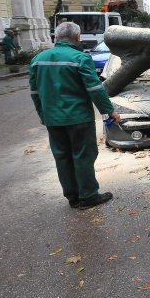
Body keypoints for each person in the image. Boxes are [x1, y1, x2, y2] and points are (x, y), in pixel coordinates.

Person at [29, 21, 120, 208]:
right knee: (83, 155)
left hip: (53, 119)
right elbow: (95, 89)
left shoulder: (38, 59)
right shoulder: (80, 58)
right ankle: (88, 196)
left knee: (62, 156)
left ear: (56, 37)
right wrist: (110, 111)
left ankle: (73, 197)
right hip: (78, 117)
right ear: (77, 38)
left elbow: (35, 92)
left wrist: (43, 115)